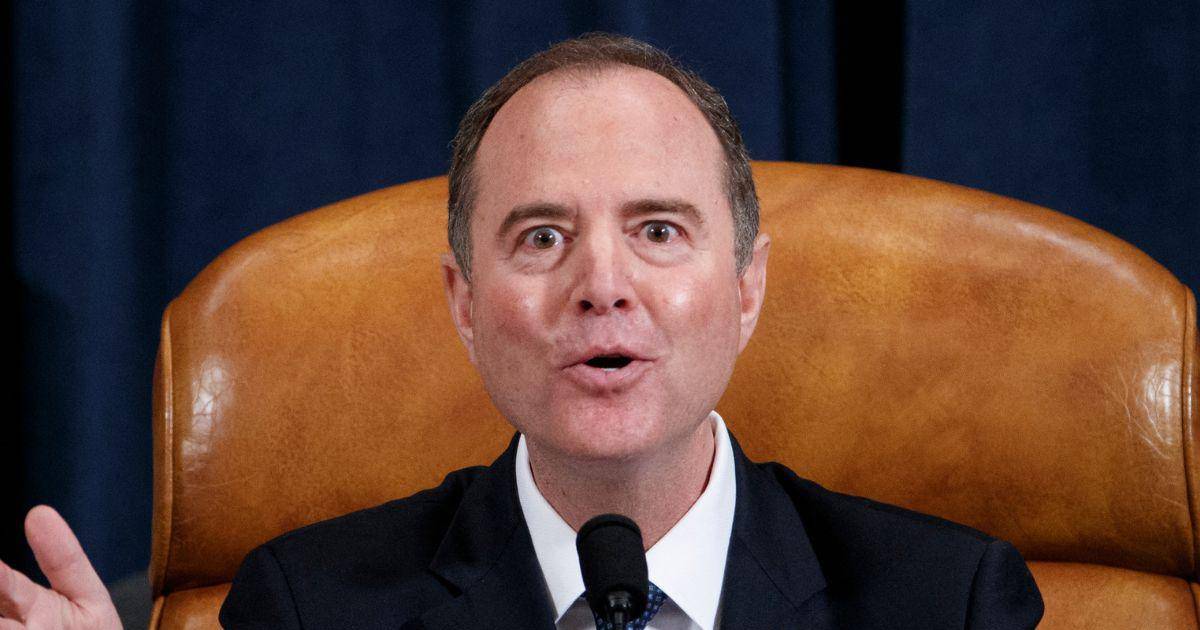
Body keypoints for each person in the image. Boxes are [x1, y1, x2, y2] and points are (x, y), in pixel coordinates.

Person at [0, 33, 1043, 629]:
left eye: (658, 231)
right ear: (463, 301)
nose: (603, 286)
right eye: (542, 237)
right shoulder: (311, 608)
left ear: (746, 289)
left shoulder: (946, 603)